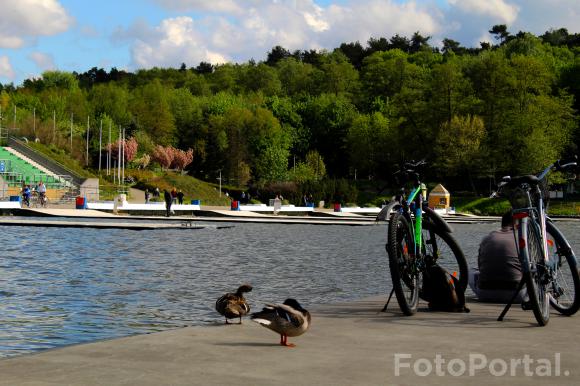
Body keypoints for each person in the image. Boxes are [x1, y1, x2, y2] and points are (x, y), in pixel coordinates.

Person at [469, 212, 525, 303]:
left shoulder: (487, 238)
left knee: (471, 271)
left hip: (485, 293)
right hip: (517, 294)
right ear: (518, 224)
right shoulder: (522, 240)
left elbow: (480, 266)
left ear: (502, 223)